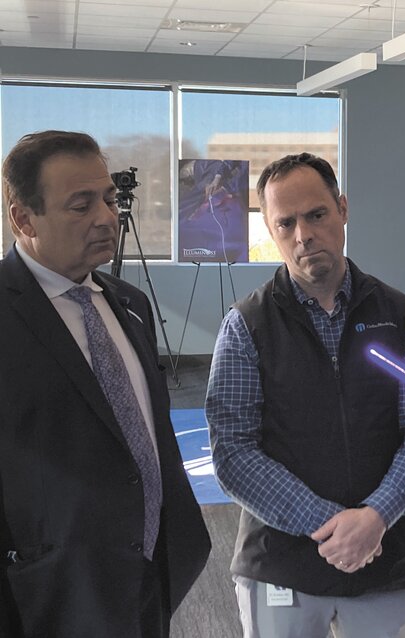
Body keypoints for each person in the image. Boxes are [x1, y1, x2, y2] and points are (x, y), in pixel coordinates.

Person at [206, 152, 405, 638]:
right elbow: (233, 453)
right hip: (281, 564)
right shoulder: (245, 326)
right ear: (270, 231)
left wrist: (376, 517)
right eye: (286, 223)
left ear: (342, 209)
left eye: (316, 215)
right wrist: (335, 526)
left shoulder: (402, 317)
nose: (303, 235)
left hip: (384, 561)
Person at [0, 130, 211, 638]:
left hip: (150, 574)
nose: (106, 217)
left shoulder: (129, 303)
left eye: (109, 199)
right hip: (50, 596)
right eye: (81, 205)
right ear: (24, 218)